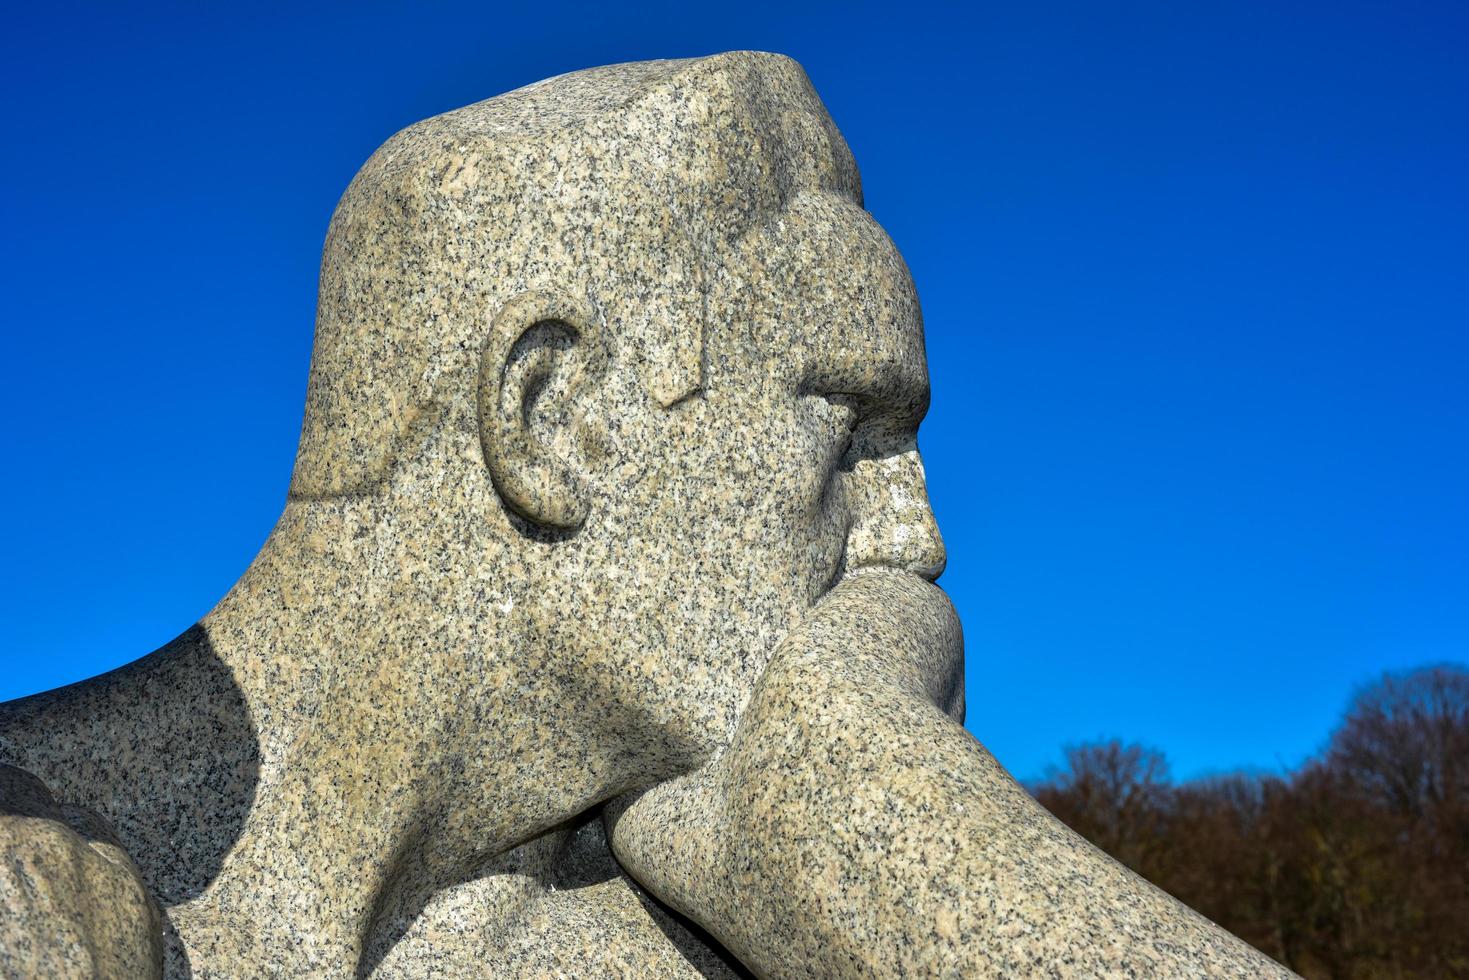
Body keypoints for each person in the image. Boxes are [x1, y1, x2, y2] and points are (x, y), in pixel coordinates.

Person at [0, 53, 1289, 977]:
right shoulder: (41, 881)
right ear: (555, 420)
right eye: (852, 430)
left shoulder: (667, 931)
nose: (918, 540)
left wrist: (878, 828)